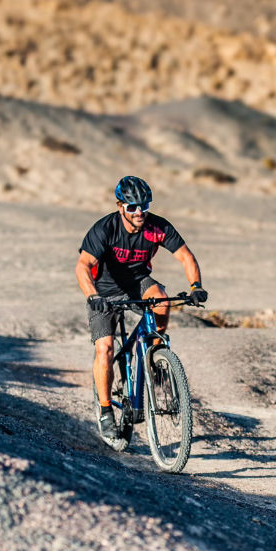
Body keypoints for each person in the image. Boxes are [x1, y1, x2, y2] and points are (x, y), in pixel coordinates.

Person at [75, 175, 207, 443]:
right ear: (120, 206)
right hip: (104, 292)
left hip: (137, 284)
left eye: (144, 206)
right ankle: (104, 412)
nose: (139, 212)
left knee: (161, 297)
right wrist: (92, 296)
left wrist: (196, 286)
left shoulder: (157, 227)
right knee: (105, 349)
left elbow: (186, 256)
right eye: (133, 207)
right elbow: (83, 266)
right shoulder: (105, 229)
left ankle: (155, 352)